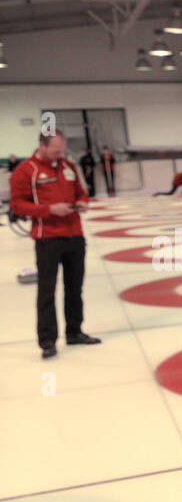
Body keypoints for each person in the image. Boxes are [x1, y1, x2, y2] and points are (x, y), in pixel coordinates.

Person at [7, 128, 101, 358]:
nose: (59, 154)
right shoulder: (25, 171)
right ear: (42, 145)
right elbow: (17, 205)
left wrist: (82, 202)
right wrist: (49, 210)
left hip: (75, 236)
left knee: (74, 287)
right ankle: (48, 340)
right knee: (47, 291)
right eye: (55, 150)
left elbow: (82, 192)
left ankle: (74, 331)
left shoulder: (68, 167)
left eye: (61, 150)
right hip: (47, 239)